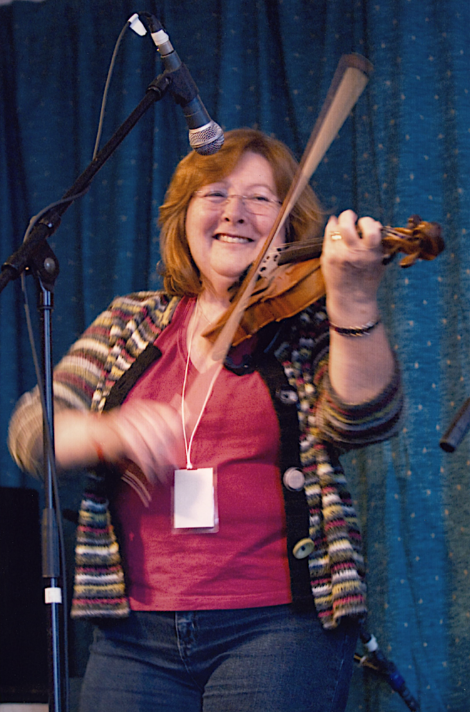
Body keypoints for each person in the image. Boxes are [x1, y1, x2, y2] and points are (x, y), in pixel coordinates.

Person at [8, 128, 402, 712]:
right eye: (214, 193)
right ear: (183, 216)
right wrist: (102, 431)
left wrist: (355, 303)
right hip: (132, 634)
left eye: (261, 198)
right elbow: (33, 432)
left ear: (288, 226)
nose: (234, 213)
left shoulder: (310, 323)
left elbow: (366, 420)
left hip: (279, 626)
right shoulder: (129, 321)